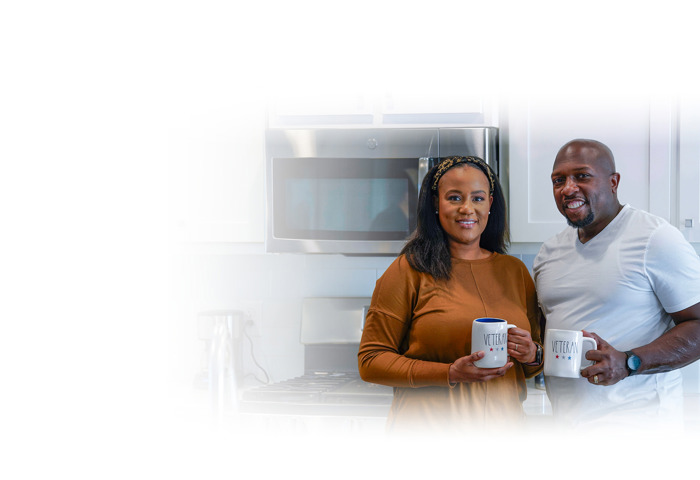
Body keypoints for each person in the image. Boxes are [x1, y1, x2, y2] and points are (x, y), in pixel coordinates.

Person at [358, 156, 543, 434]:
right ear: (436, 203)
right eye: (454, 197)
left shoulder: (514, 271)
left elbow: (532, 364)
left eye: (478, 198)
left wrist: (531, 354)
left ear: (490, 204)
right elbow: (371, 361)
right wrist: (449, 373)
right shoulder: (408, 270)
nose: (467, 208)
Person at [533, 139, 700, 431]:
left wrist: (629, 362)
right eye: (558, 180)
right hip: (567, 425)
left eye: (582, 176)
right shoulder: (550, 252)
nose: (568, 188)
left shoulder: (655, 238)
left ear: (613, 181)